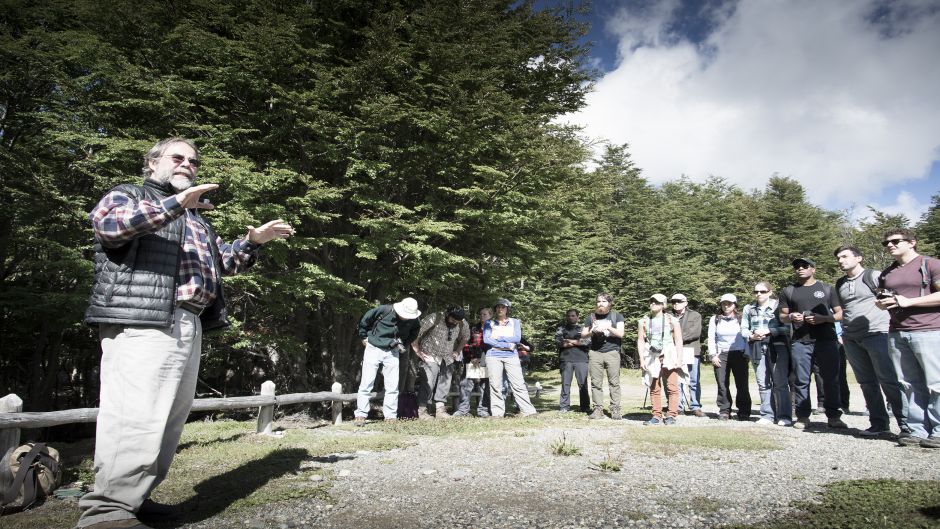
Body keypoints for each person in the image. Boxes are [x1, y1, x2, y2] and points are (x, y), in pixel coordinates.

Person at [78, 138, 294, 529]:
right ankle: (106, 512)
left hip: (187, 320)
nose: (187, 165)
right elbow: (110, 229)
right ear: (151, 163)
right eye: (177, 158)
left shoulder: (196, 219)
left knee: (168, 418)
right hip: (143, 319)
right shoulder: (128, 195)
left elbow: (223, 264)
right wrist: (178, 203)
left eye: (193, 161)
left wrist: (251, 242)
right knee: (136, 415)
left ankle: (134, 499)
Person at [833, 245, 909, 438]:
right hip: (851, 338)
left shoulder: (874, 276)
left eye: (845, 256)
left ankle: (907, 425)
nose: (841, 260)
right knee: (866, 383)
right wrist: (843, 334)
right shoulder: (840, 283)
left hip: (877, 333)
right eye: (838, 258)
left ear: (859, 258)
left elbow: (895, 297)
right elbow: (845, 310)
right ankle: (879, 424)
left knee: (889, 380)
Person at [875, 228, 940, 448]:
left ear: (912, 242)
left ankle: (939, 430)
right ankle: (917, 430)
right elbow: (885, 297)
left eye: (895, 241)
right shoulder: (887, 273)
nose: (890, 245)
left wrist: (909, 302)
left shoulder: (930, 264)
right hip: (897, 331)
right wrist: (883, 303)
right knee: (909, 384)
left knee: (936, 383)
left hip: (930, 330)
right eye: (887, 243)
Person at [778, 257, 848, 430]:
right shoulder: (789, 291)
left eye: (804, 266)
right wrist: (791, 317)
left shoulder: (827, 289)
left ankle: (833, 416)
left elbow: (840, 314)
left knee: (830, 379)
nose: (800, 268)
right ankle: (802, 416)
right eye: (797, 266)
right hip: (800, 341)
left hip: (827, 340)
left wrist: (823, 318)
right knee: (801, 380)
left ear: (813, 269)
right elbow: (782, 316)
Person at [355, 298, 422, 425]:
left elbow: (415, 332)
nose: (406, 317)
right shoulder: (384, 310)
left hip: (393, 351)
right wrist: (364, 337)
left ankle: (390, 416)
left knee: (392, 386)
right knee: (366, 383)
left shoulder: (414, 319)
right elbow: (365, 321)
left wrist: (403, 343)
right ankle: (360, 414)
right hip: (373, 347)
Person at [741, 282, 793, 426]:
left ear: (770, 292)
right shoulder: (748, 308)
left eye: (762, 291)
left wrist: (769, 331)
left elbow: (788, 327)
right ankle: (767, 415)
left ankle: (784, 416)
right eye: (756, 291)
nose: (758, 294)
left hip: (777, 346)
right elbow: (744, 328)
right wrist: (751, 336)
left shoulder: (779, 306)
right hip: (757, 346)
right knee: (763, 383)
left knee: (780, 383)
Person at [413, 306, 470, 419]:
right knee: (428, 381)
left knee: (445, 383)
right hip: (429, 355)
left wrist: (457, 351)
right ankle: (422, 410)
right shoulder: (435, 317)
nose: (454, 322)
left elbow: (466, 337)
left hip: (447, 357)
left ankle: (440, 410)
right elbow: (416, 332)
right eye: (453, 319)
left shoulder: (462, 323)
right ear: (447, 314)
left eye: (457, 321)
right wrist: (417, 351)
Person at [483, 298, 537, 418]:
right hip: (493, 356)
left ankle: (528, 411)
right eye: (498, 307)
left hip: (511, 356)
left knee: (518, 383)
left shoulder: (515, 322)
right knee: (495, 385)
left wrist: (498, 338)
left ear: (507, 309)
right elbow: (487, 340)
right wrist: (507, 343)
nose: (500, 309)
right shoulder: (489, 323)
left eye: (503, 307)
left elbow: (517, 338)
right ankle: (497, 413)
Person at [638, 294, 685, 425]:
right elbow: (641, 341)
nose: (653, 304)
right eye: (651, 301)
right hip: (651, 355)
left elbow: (678, 340)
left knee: (672, 386)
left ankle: (671, 415)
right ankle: (656, 415)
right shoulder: (644, 321)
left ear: (663, 305)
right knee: (654, 386)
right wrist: (642, 359)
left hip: (669, 353)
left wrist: (679, 358)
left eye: (657, 302)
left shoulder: (672, 320)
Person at [582, 293, 626, 420]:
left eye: (604, 301)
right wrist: (592, 331)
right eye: (598, 301)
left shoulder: (617, 316)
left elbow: (621, 334)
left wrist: (608, 327)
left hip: (612, 352)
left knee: (614, 382)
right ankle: (598, 410)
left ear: (610, 303)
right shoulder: (591, 317)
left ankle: (615, 409)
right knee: (596, 383)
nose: (600, 304)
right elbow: (583, 334)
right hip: (595, 352)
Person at [707, 294, 751, 421]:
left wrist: (747, 353)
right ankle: (724, 409)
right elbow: (711, 338)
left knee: (742, 384)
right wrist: (713, 355)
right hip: (721, 354)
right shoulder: (715, 319)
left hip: (739, 353)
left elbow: (746, 336)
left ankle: (744, 411)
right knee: (722, 383)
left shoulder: (741, 318)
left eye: (729, 304)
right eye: (724, 304)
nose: (726, 306)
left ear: (735, 305)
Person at [454, 307, 492, 417]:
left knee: (483, 386)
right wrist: (472, 357)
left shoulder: (494, 328)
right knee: (466, 385)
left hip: (487, 360)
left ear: (490, 316)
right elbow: (466, 343)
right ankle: (463, 410)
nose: (482, 316)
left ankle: (483, 410)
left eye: (484, 314)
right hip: (472, 360)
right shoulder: (474, 328)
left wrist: (481, 359)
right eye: (480, 314)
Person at [670, 294, 703, 417]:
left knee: (694, 380)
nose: (676, 303)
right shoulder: (668, 316)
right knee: (677, 380)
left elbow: (695, 333)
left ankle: (696, 406)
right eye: (673, 301)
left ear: (686, 303)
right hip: (674, 351)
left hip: (691, 350)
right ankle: (678, 407)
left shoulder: (695, 315)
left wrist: (676, 338)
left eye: (679, 301)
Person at [555, 309, 590, 413]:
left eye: (573, 316)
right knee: (565, 384)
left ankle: (585, 406)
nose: (571, 317)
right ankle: (564, 406)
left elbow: (587, 342)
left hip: (582, 359)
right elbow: (558, 342)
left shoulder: (583, 328)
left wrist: (568, 340)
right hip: (566, 360)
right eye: (569, 316)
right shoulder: (561, 328)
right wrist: (577, 342)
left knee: (582, 384)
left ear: (578, 317)